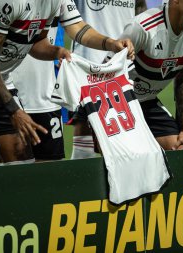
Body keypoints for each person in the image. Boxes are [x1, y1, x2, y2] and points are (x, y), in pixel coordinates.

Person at [0, 0, 134, 164]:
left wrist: (58, 51)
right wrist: (13, 110)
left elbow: (40, 40)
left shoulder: (54, 3)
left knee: (24, 166)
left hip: (9, 84)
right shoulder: (12, 3)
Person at [107, 0, 183, 150]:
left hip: (147, 103)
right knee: (128, 161)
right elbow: (108, 71)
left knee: (181, 148)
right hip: (116, 104)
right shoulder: (143, 27)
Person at [69, 0, 147, 159]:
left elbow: (140, 10)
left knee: (122, 134)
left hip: (121, 65)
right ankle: (78, 181)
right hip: (88, 65)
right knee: (86, 138)